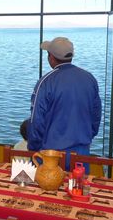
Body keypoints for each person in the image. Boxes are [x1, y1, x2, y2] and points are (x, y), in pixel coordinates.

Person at [27, 37, 101, 171]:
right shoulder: (89, 79)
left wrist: (33, 147)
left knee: (42, 190)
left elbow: (36, 120)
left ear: (51, 57)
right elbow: (96, 116)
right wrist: (86, 138)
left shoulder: (46, 82)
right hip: (81, 154)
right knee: (78, 189)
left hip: (51, 156)